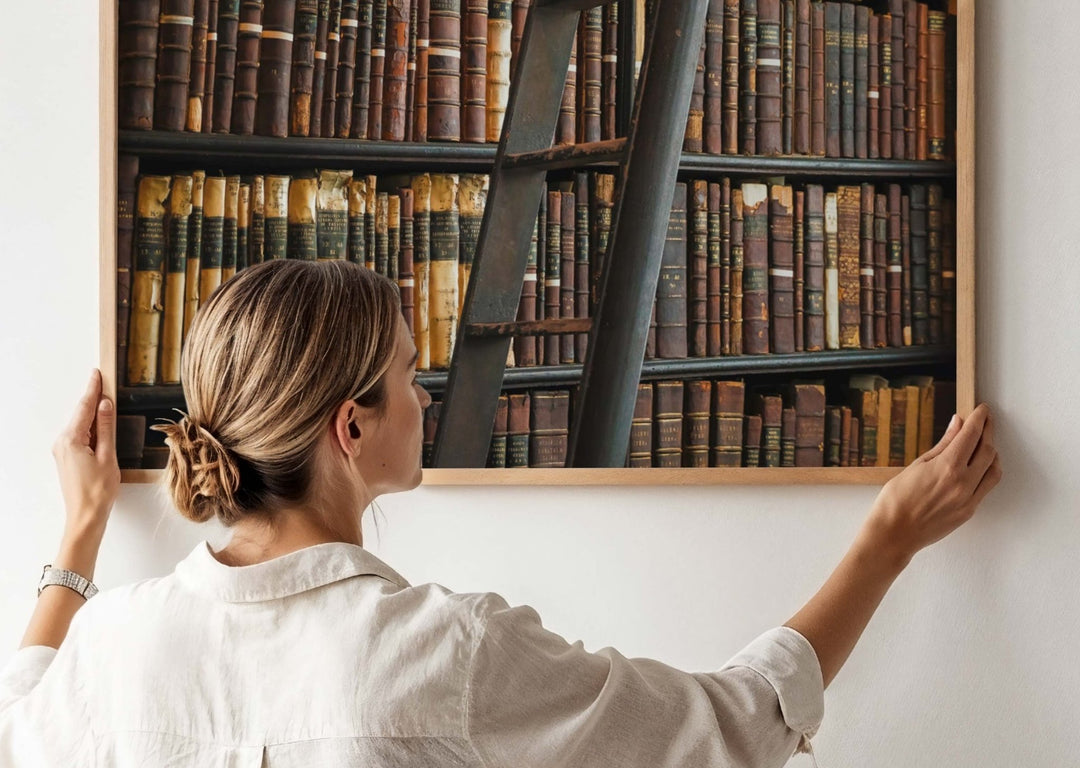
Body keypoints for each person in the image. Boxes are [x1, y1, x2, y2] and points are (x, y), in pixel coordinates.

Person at [0, 259, 1001, 766]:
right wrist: (887, 540)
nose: (425, 396)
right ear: (352, 426)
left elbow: (21, 720)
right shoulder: (444, 650)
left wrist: (80, 534)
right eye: (409, 375)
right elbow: (726, 732)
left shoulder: (116, 642)